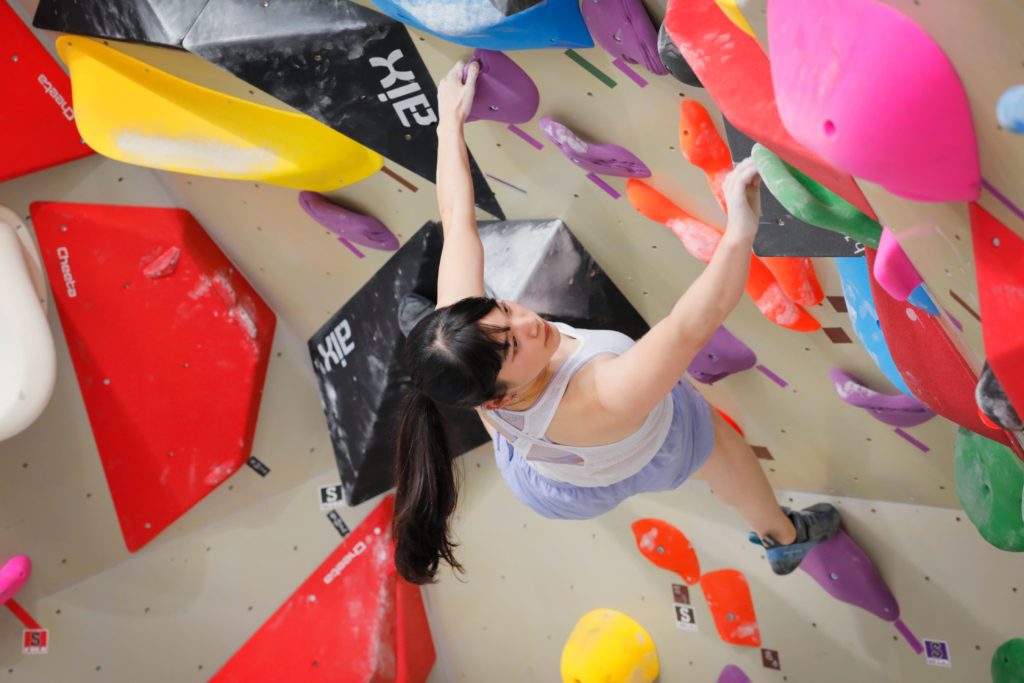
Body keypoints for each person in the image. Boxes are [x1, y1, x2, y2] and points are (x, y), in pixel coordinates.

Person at [392, 59, 840, 585]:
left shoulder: (475, 344)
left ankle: (433, 353)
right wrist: (741, 231)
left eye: (505, 310)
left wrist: (448, 123)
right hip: (644, 446)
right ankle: (784, 539)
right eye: (513, 346)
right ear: (496, 400)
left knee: (453, 340)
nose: (529, 322)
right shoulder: (603, 393)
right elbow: (692, 324)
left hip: (549, 481)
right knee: (718, 440)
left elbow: (458, 218)